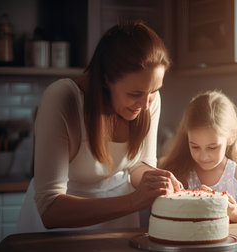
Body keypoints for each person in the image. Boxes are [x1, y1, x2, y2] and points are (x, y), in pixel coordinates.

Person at [15, 20, 182, 233]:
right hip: (58, 234)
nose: (145, 104)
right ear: (105, 79)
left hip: (117, 226)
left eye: (154, 91)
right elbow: (49, 209)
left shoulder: (148, 99)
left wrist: (155, 180)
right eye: (134, 94)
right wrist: (134, 201)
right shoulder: (63, 98)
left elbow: (139, 165)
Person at [160, 90, 237, 223]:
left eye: (212, 147)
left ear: (231, 137)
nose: (203, 156)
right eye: (195, 146)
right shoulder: (178, 173)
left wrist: (236, 214)